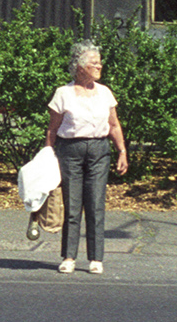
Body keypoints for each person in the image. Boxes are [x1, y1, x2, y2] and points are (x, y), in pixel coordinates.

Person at [42, 41, 128, 274]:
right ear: (80, 67)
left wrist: (122, 151)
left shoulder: (105, 93)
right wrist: (48, 155)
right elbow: (52, 129)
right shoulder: (63, 93)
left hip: (100, 151)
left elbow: (113, 124)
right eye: (94, 63)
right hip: (70, 151)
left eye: (100, 62)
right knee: (71, 205)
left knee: (96, 204)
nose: (99, 66)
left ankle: (96, 258)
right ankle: (69, 257)